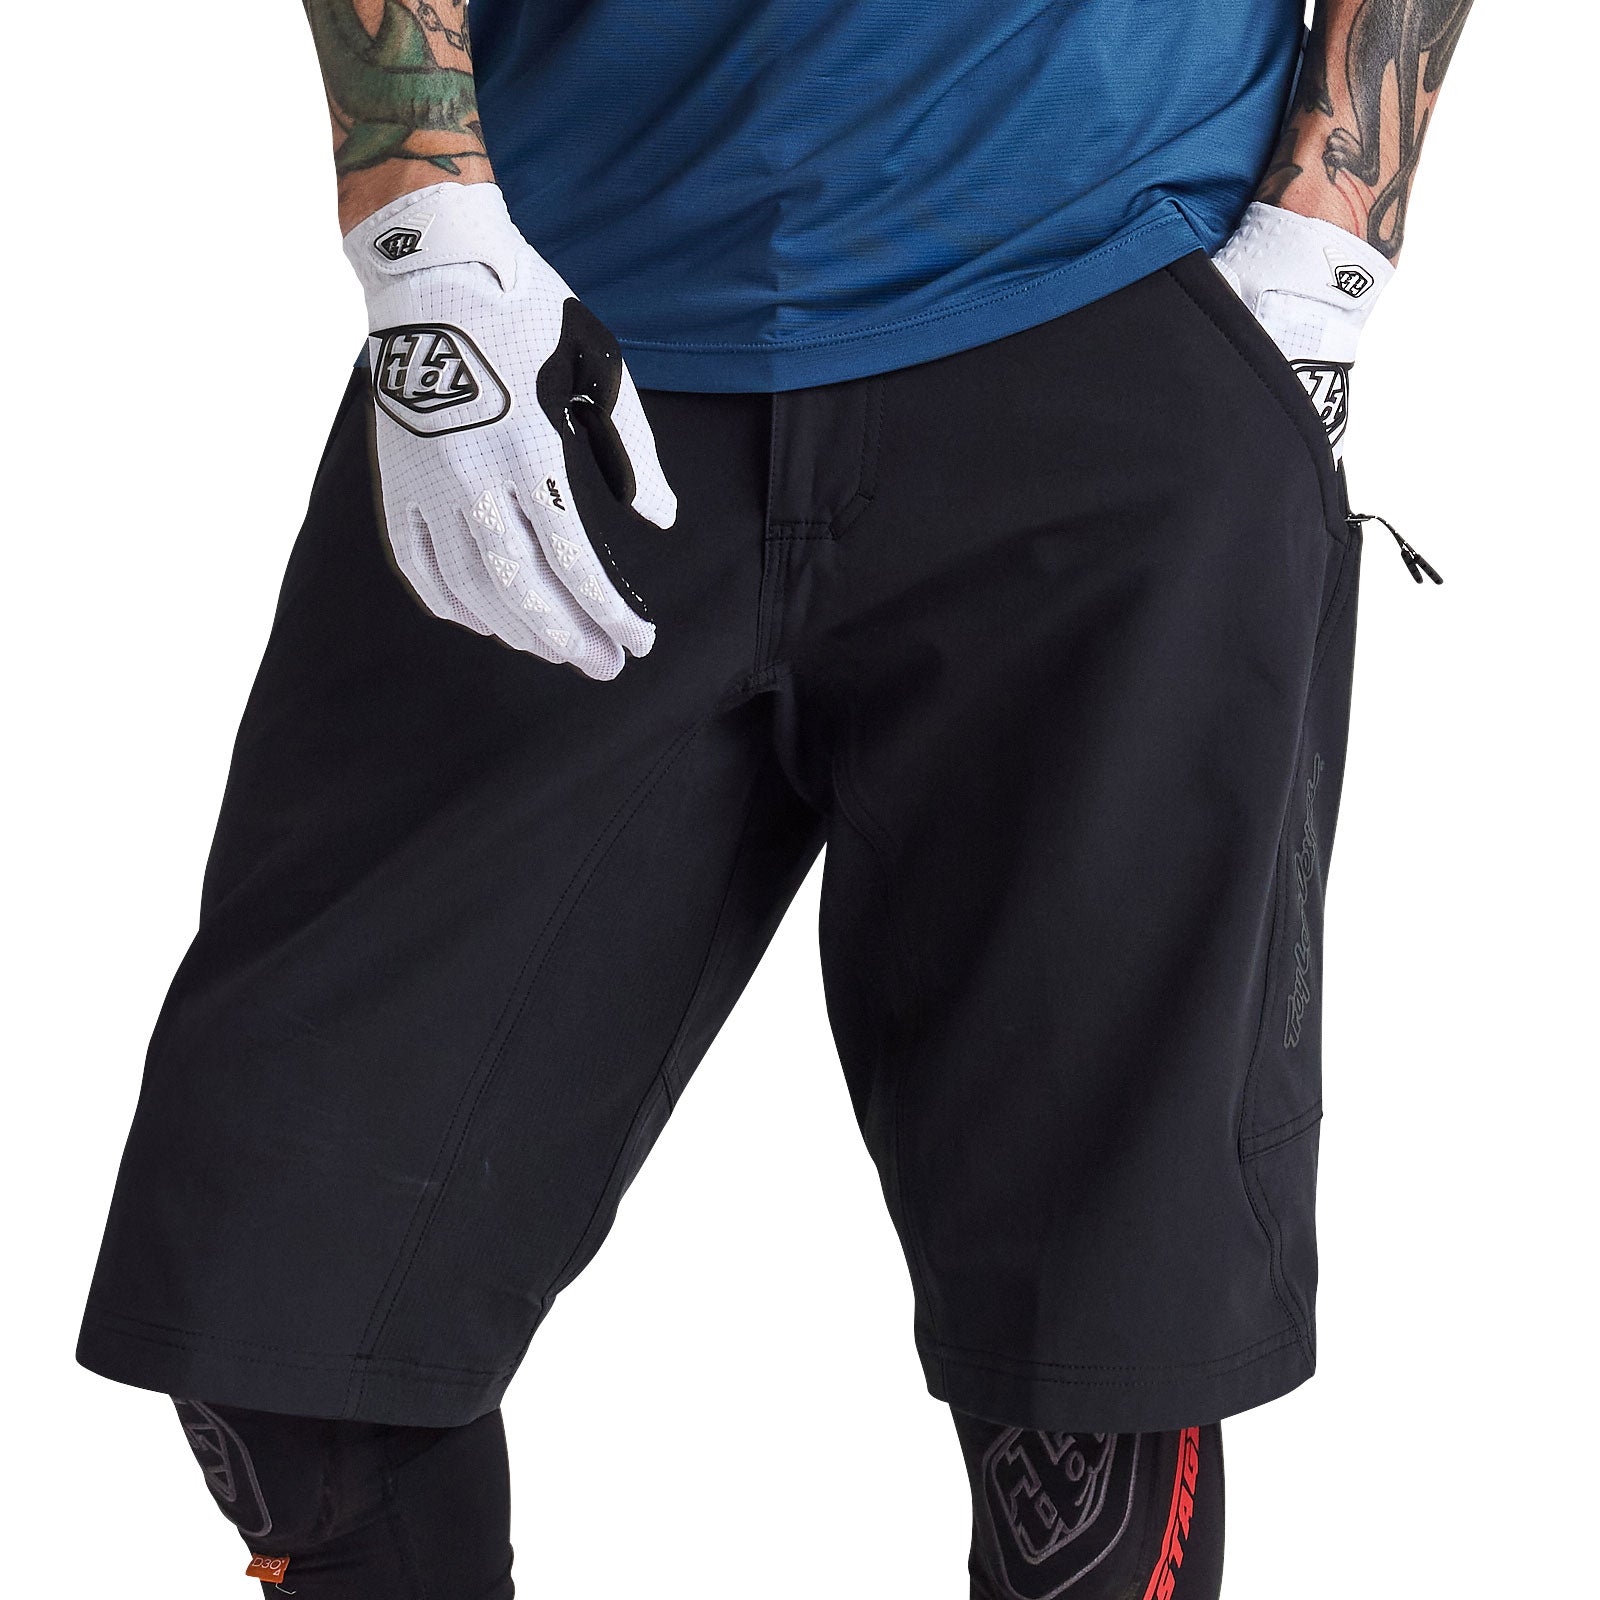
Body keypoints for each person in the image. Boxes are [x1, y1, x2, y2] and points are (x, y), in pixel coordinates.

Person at [79, 2, 1471, 1594]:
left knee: (1100, 1362)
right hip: (562, 352)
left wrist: (1329, 248)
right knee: (280, 1305)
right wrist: (423, 234)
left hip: (1107, 322)